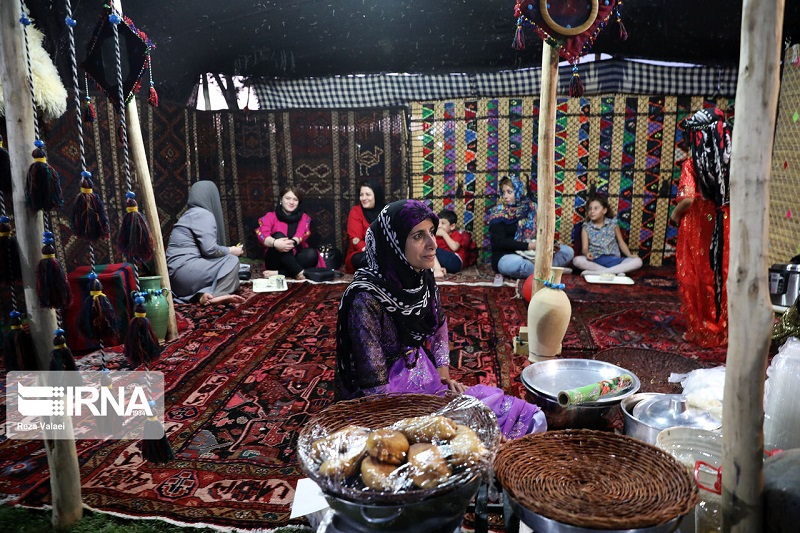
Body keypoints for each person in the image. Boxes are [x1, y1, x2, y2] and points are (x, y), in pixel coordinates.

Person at [335, 199, 546, 439]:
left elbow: (439, 325)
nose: (432, 244)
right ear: (392, 243)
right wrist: (428, 415)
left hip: (421, 376)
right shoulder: (365, 300)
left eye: (432, 233)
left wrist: (443, 374)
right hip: (385, 398)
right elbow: (375, 388)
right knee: (458, 431)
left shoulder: (422, 278)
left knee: (514, 413)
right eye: (417, 236)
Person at [670, 108, 731, 347]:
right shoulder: (728, 162)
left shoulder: (693, 163)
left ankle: (703, 329)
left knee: (699, 274)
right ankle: (723, 327)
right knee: (721, 272)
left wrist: (675, 216)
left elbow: (687, 198)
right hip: (724, 222)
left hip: (699, 227)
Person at [166, 181, 245, 305]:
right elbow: (210, 250)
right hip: (186, 272)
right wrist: (231, 250)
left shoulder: (189, 214)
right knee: (231, 261)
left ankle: (202, 295)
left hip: (176, 280)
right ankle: (218, 295)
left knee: (232, 278)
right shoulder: (202, 214)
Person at [489, 175, 574, 280]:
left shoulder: (532, 209)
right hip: (509, 256)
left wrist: (552, 243)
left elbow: (541, 233)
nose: (505, 196)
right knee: (516, 264)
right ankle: (550, 272)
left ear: (520, 192)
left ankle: (542, 270)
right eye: (503, 192)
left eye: (509, 192)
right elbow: (499, 242)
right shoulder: (498, 213)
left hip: (534, 255)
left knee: (567, 252)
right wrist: (529, 246)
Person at [256, 185, 325, 280]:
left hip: (295, 253)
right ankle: (299, 272)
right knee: (278, 235)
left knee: (312, 254)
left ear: (299, 202)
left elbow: (301, 234)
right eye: (288, 198)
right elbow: (263, 235)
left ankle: (280, 273)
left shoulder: (304, 217)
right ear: (281, 200)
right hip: (275, 258)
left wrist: (291, 243)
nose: (291, 202)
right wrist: (276, 243)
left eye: (295, 199)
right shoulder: (270, 216)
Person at [572, 195, 643, 276]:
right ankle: (615, 272)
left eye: (596, 208)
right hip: (596, 261)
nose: (592, 211)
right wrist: (587, 253)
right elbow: (584, 248)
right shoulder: (586, 227)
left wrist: (629, 255)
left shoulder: (613, 224)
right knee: (577, 260)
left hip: (614, 260)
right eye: (590, 209)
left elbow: (621, 242)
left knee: (638, 261)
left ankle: (600, 273)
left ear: (604, 210)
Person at [344, 180, 386, 273]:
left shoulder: (387, 211)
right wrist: (374, 252)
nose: (363, 198)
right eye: (361, 195)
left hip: (386, 252)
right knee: (364, 259)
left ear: (377, 195)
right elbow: (355, 240)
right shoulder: (356, 211)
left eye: (368, 194)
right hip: (362, 252)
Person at [434, 209, 471, 275]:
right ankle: (439, 270)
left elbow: (454, 247)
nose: (439, 226)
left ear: (452, 226)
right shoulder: (436, 236)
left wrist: (444, 234)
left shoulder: (455, 234)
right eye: (438, 223)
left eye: (443, 223)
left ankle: (438, 271)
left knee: (430, 249)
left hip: (455, 261)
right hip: (443, 262)